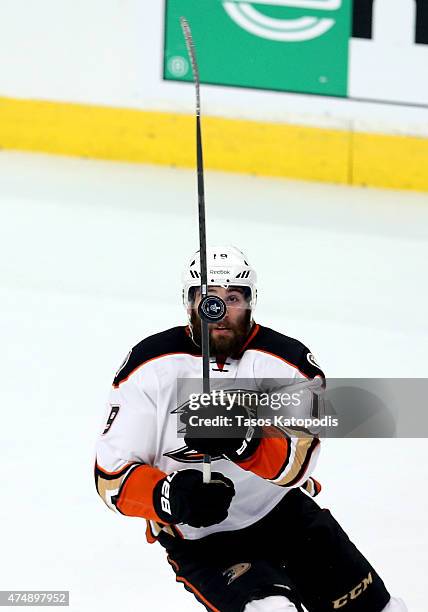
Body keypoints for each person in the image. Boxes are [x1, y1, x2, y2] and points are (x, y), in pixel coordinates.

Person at [95, 246, 407, 612]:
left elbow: (299, 462)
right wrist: (169, 496)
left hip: (285, 516)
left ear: (251, 301)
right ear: (189, 302)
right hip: (202, 542)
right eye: (209, 299)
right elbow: (110, 477)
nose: (221, 312)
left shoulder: (286, 361)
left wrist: (246, 441)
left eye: (233, 298)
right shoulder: (149, 366)